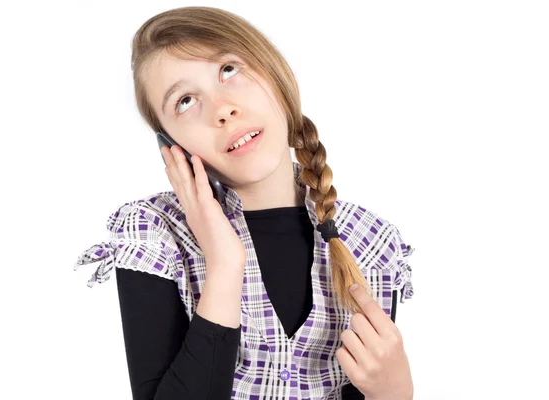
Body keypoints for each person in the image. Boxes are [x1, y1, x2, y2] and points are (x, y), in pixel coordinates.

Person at [74, 6, 416, 400]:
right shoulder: (154, 234)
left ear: (276, 76)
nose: (222, 110)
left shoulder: (370, 240)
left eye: (229, 70)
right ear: (172, 147)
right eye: (185, 100)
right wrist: (224, 266)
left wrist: (394, 394)